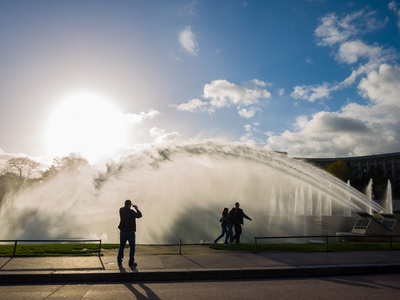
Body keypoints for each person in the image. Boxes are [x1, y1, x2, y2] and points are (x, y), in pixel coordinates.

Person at [117, 199, 142, 267]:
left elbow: (123, 208)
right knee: (132, 248)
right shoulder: (131, 212)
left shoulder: (121, 210)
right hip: (130, 232)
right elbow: (139, 215)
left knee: (121, 247)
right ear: (129, 205)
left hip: (123, 232)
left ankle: (119, 260)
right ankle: (131, 261)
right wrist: (137, 209)